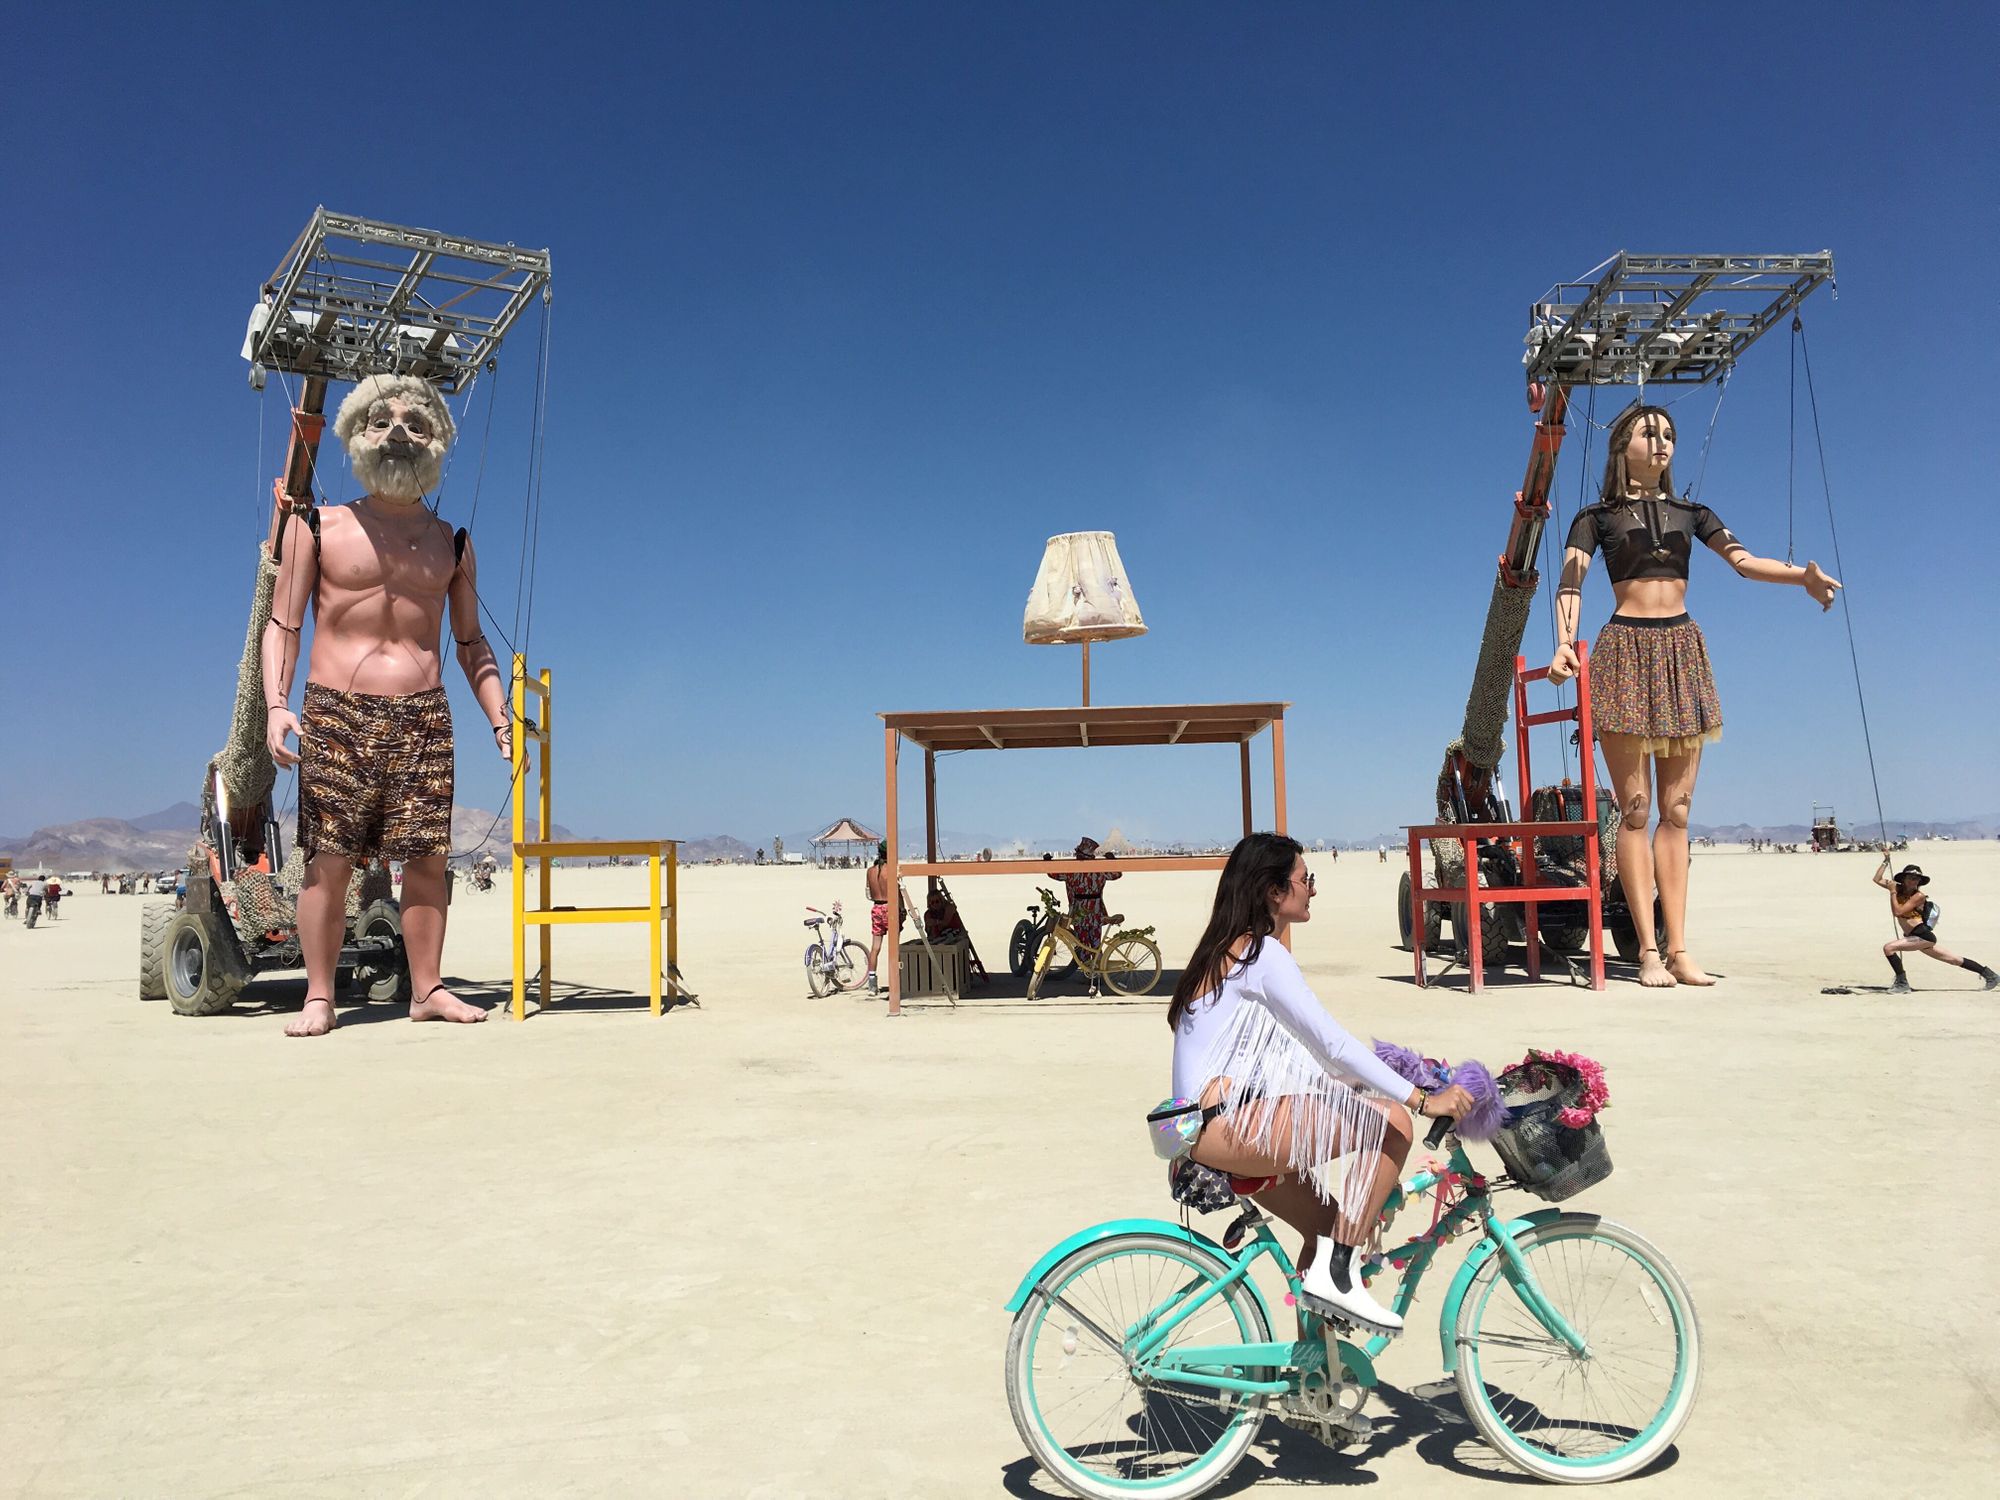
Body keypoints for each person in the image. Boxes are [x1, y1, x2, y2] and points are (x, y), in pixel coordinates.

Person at [1549, 403, 1839, 989]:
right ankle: (1648, 952)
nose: (1661, 443)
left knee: (1677, 812)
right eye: (1647, 432)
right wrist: (1563, 644)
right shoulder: (1594, 517)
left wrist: (1800, 578)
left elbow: (1743, 562)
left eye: (1668, 434)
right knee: (1634, 811)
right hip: (1625, 651)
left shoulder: (1693, 512)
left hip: (1682, 649)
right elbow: (1570, 580)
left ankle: (1681, 949)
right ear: (1620, 445)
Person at [263, 373, 510, 1036]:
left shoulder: (452, 542)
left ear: (439, 443)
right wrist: (274, 704)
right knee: (328, 859)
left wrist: (498, 713)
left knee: (429, 856)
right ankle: (320, 995)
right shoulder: (317, 524)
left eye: (417, 421)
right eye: (382, 420)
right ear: (354, 436)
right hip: (336, 710)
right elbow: (284, 623)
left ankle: (427, 987)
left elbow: (470, 640)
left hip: (423, 714)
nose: (399, 432)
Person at [1168, 833, 1472, 1331]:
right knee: (1392, 1124)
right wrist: (1421, 1099)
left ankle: (1318, 1374)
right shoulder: (1258, 954)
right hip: (1225, 1127)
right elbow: (1331, 1044)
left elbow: (1304, 1060)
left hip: (1210, 1129)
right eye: (1305, 880)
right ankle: (1339, 1278)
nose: (1313, 889)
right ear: (1273, 891)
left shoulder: (1226, 952)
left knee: (1330, 1227)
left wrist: (1367, 1083)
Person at [1874, 856, 1998, 992]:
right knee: (1954, 959)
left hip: (1922, 936)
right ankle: (1991, 976)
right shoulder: (1898, 888)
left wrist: (1892, 892)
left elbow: (1898, 912)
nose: (1913, 881)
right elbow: (1877, 879)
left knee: (1889, 948)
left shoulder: (1918, 896)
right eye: (1910, 877)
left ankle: (1902, 984)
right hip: (1914, 937)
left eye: (1916, 879)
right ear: (1903, 879)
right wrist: (1886, 861)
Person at [1060, 836, 1121, 955]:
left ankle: (1089, 968)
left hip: (1079, 912)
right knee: (1095, 944)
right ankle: (1095, 968)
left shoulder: (1071, 870)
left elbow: (1054, 874)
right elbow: (1116, 874)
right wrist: (1112, 861)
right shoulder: (1100, 869)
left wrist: (1047, 862)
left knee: (1082, 944)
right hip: (1096, 911)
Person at [863, 842, 893, 996]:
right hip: (890, 907)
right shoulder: (891, 869)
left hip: (876, 908)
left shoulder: (870, 871)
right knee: (894, 946)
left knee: (875, 948)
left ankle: (872, 984)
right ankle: (895, 981)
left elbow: (868, 894)